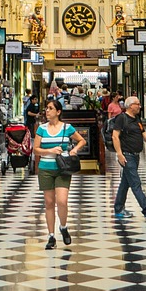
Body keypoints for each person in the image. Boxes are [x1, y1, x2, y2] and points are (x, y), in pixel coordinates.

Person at [34, 98, 85, 248]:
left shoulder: (67, 128)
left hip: (62, 169)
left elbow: (82, 140)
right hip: (45, 168)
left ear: (58, 111)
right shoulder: (41, 128)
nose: (47, 111)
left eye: (50, 108)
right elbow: (35, 149)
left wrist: (74, 149)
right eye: (46, 108)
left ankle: (63, 226)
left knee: (62, 201)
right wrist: (49, 150)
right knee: (49, 202)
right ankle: (51, 236)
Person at [112, 95, 146, 220]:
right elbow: (115, 137)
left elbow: (144, 134)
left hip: (136, 155)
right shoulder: (121, 118)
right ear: (130, 106)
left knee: (125, 183)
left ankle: (118, 209)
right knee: (135, 183)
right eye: (137, 104)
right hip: (127, 155)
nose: (140, 106)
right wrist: (119, 154)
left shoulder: (137, 119)